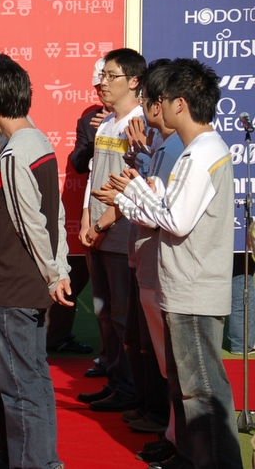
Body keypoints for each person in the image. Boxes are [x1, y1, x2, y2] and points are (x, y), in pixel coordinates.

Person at [102, 59, 242, 469]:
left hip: (193, 285)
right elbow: (174, 210)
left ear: (180, 103)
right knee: (186, 385)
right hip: (185, 283)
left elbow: (175, 220)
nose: (155, 107)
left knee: (202, 391)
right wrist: (140, 194)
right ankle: (188, 454)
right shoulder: (201, 150)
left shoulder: (200, 153)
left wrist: (132, 193)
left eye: (160, 99)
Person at [0, 52, 72, 469]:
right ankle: (45, 461)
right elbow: (55, 216)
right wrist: (59, 270)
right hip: (26, 284)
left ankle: (35, 463)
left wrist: (53, 273)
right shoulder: (39, 141)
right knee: (34, 381)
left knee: (19, 389)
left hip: (14, 289)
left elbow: (30, 223)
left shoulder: (13, 155)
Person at [93, 60, 181, 463]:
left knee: (161, 351)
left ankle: (167, 423)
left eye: (149, 100)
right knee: (135, 335)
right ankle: (155, 415)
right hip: (137, 249)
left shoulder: (174, 146)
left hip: (153, 255)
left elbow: (162, 206)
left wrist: (115, 207)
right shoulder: (137, 135)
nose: (103, 83)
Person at [77, 48, 146, 412]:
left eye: (110, 76)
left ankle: (132, 388)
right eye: (102, 76)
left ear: (134, 81)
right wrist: (86, 219)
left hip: (120, 235)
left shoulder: (139, 124)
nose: (102, 82)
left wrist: (103, 223)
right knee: (104, 312)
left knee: (121, 316)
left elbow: (134, 182)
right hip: (97, 232)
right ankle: (116, 381)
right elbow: (94, 176)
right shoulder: (105, 124)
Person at [47, 58, 106, 361]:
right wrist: (100, 137)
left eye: (106, 82)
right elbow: (79, 164)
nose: (101, 90)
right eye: (97, 85)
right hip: (93, 211)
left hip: (133, 212)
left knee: (122, 296)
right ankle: (106, 358)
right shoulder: (89, 120)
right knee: (89, 286)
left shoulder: (141, 116)